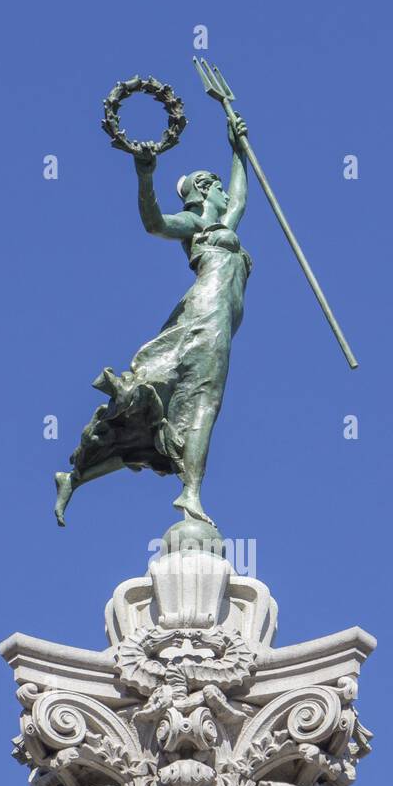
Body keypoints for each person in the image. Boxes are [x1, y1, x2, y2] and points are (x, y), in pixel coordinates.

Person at [54, 114, 250, 528]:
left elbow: (239, 201)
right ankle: (191, 492)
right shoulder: (195, 224)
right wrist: (145, 176)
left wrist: (238, 152)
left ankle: (77, 476)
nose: (220, 188)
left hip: (219, 321)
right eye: (213, 181)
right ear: (201, 190)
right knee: (202, 401)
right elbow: (155, 223)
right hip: (206, 316)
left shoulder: (219, 223)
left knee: (174, 402)